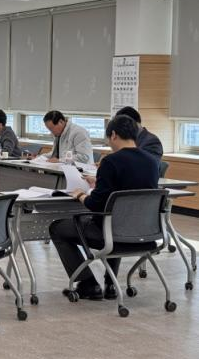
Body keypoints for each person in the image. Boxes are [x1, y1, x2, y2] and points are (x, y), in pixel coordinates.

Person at [49, 115, 159, 300]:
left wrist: (81, 195)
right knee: (120, 219)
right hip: (145, 234)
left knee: (57, 228)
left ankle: (88, 284)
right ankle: (110, 284)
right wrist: (99, 182)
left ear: (113, 135)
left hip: (111, 234)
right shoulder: (152, 162)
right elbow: (129, 188)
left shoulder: (111, 161)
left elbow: (95, 204)